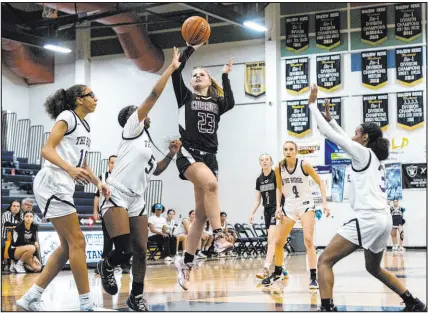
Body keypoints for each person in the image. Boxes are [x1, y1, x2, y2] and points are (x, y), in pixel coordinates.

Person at [308, 85, 426, 312]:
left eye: (356, 132)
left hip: (369, 218)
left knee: (324, 260)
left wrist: (312, 105)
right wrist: (332, 120)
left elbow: (332, 136)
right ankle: (414, 302)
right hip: (384, 219)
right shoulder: (371, 156)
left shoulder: (363, 154)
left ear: (364, 138)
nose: (352, 136)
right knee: (374, 268)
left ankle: (327, 308)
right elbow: (342, 136)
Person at [97, 49, 181, 311]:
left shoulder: (145, 142)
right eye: (140, 111)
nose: (146, 113)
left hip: (138, 199)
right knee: (122, 249)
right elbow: (153, 96)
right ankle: (106, 265)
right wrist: (170, 69)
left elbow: (155, 170)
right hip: (117, 193)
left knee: (140, 251)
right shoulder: (132, 128)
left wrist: (171, 154)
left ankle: (136, 296)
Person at [16, 84, 111, 312]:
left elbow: (83, 165)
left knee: (68, 247)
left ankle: (30, 297)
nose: (96, 98)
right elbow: (46, 149)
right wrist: (69, 169)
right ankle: (87, 304)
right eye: (92, 95)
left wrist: (99, 183)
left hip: (63, 183)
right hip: (53, 180)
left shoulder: (85, 127)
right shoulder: (67, 116)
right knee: (78, 241)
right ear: (79, 99)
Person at [172, 42, 236, 291]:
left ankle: (185, 263)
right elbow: (177, 71)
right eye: (194, 74)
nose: (197, 76)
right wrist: (189, 49)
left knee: (199, 216)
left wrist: (225, 76)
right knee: (211, 184)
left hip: (210, 156)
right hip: (189, 153)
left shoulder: (217, 103)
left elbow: (229, 102)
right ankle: (219, 236)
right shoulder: (185, 97)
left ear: (209, 81)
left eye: (202, 74)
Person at [263, 141, 330, 290]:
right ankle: (278, 272)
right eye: (285, 149)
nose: (288, 152)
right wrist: (278, 207)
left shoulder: (304, 165)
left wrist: (324, 203)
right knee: (279, 242)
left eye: (291, 149)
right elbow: (279, 188)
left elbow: (321, 182)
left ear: (296, 151)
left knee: (308, 240)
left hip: (305, 205)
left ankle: (313, 277)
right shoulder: (278, 167)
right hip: (289, 207)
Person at [93, 155, 130, 274]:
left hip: (122, 210)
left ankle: (125, 264)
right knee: (107, 239)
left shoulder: (124, 178)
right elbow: (97, 196)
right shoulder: (102, 177)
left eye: (116, 163)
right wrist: (95, 211)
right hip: (107, 211)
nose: (113, 165)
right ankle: (104, 264)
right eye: (111, 162)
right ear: (108, 164)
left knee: (124, 240)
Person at [249, 154, 285, 280]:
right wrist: (252, 212)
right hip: (267, 211)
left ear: (271, 162)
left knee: (271, 241)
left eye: (267, 159)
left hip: (277, 210)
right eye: (262, 160)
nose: (264, 161)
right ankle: (283, 269)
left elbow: (280, 191)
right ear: (260, 163)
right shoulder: (259, 179)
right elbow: (258, 199)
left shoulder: (275, 175)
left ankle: (265, 268)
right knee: (274, 241)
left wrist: (279, 207)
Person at [2, 200, 23, 270]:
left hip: (16, 237)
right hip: (4, 238)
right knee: (10, 242)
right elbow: (7, 224)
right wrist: (18, 225)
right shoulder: (6, 213)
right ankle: (6, 263)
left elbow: (24, 225)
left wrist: (17, 226)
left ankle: (19, 263)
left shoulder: (21, 214)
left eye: (18, 206)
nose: (16, 208)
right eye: (14, 206)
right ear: (10, 207)